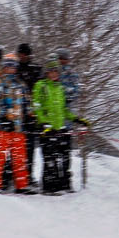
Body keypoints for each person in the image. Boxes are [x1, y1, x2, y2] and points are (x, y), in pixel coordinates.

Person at [31, 60, 83, 194]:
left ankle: (63, 184)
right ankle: (49, 187)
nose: (54, 74)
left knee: (65, 157)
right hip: (46, 128)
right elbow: (36, 106)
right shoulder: (41, 85)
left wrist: (75, 118)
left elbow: (63, 109)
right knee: (50, 158)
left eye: (56, 71)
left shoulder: (60, 87)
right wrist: (44, 123)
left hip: (60, 128)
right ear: (47, 73)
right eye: (51, 71)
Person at [0, 50, 32, 192]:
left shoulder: (20, 84)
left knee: (19, 158)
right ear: (3, 67)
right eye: (8, 66)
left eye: (13, 66)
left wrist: (30, 115)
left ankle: (22, 185)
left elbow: (28, 102)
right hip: (1, 127)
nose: (11, 69)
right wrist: (3, 116)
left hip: (18, 127)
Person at [15, 42, 42, 193]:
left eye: (25, 54)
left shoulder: (36, 69)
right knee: (18, 149)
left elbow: (40, 90)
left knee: (30, 148)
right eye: (21, 54)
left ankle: (28, 176)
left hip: (31, 114)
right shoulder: (15, 68)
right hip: (18, 114)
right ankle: (18, 177)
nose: (23, 57)